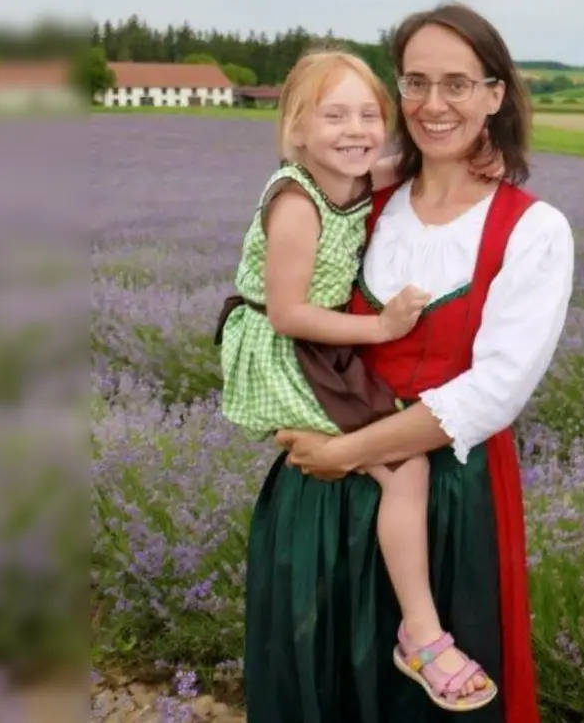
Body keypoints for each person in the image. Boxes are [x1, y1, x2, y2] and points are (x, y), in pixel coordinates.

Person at [244, 2, 576, 723]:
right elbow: (284, 301)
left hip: (446, 500)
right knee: (321, 691)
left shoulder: (533, 230)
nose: (433, 104)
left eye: (457, 84)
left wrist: (347, 451)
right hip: (321, 497)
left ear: (495, 94)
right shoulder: (359, 199)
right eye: (416, 83)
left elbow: (494, 392)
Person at [217, 48, 490, 710]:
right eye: (334, 116)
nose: (356, 130)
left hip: (319, 348)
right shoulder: (296, 204)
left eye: (369, 115)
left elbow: (400, 168)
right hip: (289, 349)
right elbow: (287, 314)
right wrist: (383, 328)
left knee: (393, 452)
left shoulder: (352, 178)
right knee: (405, 466)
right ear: (296, 129)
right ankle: (421, 635)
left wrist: (479, 158)